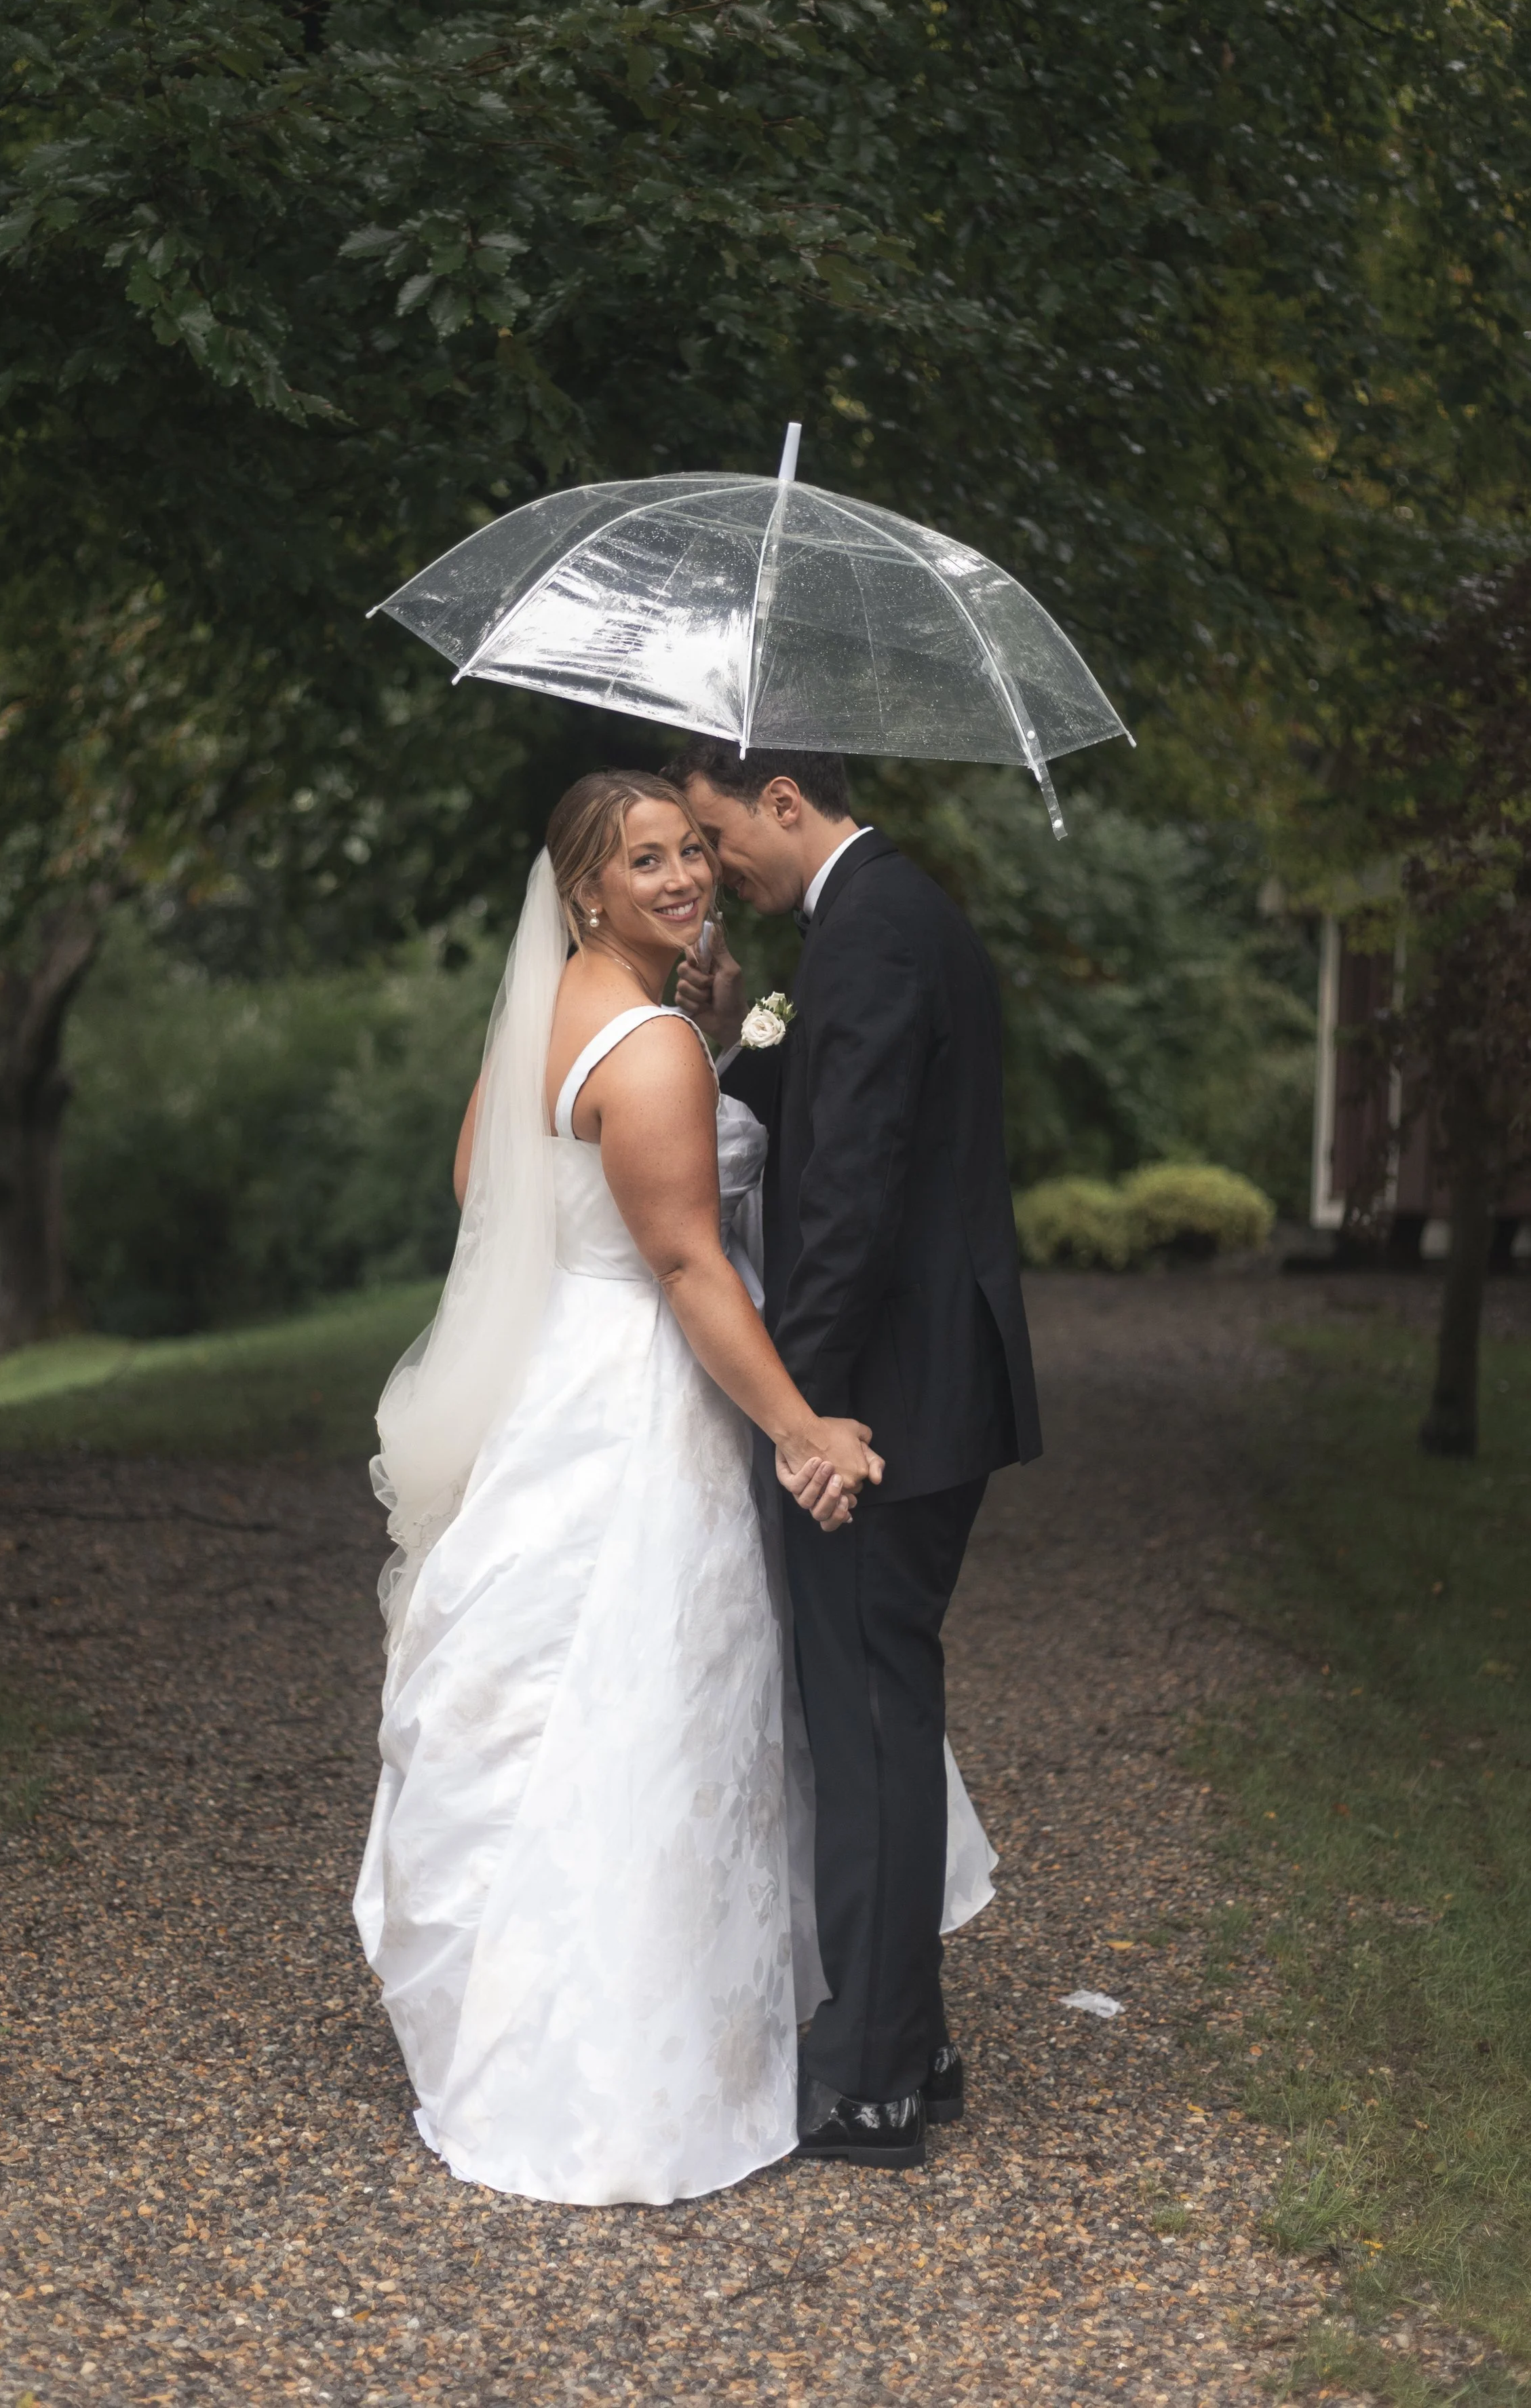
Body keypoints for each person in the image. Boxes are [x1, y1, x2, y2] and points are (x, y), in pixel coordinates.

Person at [353, 771, 882, 2206]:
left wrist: (714, 1035)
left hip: (555, 1378)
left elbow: (483, 1173)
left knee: (545, 1698)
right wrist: (796, 1429)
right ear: (584, 887)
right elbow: (691, 1270)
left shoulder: (555, 1015)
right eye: (644, 862)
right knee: (649, 1692)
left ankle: (518, 2006)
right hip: (644, 1397)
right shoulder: (646, 1053)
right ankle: (626, 2064)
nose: (683, 878)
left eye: (690, 854)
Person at [669, 743, 1041, 2168]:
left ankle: (874, 2078)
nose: (711, 871)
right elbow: (812, 1090)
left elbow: (849, 1195)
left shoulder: (873, 926)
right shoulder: (869, 919)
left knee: (870, 1724)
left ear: (782, 799)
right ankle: (914, 2038)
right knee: (874, 1712)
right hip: (913, 1383)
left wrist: (802, 1417)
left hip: (882, 1397)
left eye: (713, 834)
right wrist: (733, 1021)